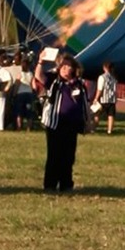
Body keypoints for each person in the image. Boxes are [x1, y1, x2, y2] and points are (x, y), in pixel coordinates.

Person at [41, 53, 89, 192]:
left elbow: (84, 104)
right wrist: (40, 62)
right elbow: (39, 77)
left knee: (68, 156)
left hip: (72, 125)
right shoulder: (54, 81)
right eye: (63, 66)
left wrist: (87, 121)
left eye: (68, 66)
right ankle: (50, 184)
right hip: (55, 124)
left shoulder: (79, 84)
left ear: (74, 69)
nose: (65, 69)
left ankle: (66, 184)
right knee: (54, 155)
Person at [96, 61, 118, 136]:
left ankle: (93, 128)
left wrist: (96, 98)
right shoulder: (114, 78)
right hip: (112, 99)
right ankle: (109, 131)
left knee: (96, 113)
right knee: (111, 115)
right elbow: (115, 90)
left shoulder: (102, 77)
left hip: (103, 99)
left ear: (104, 68)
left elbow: (100, 89)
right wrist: (116, 98)